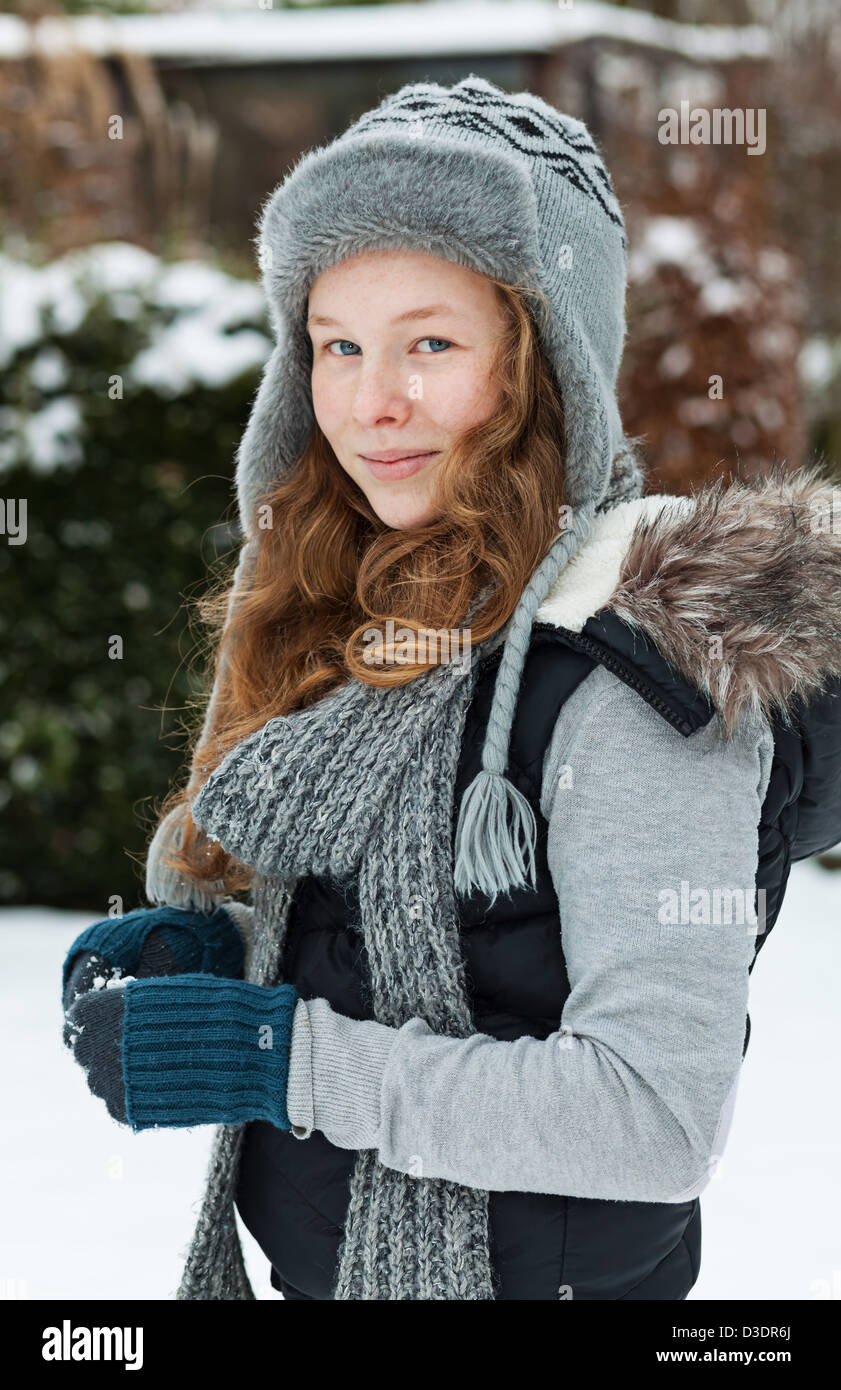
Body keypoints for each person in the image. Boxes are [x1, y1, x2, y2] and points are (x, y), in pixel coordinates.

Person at [61, 75, 841, 1301]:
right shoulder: (368, 612)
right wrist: (211, 962)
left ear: (544, 366)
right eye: (338, 346)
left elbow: (654, 1116)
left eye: (431, 341)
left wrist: (280, 1058)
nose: (373, 403)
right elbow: (401, 953)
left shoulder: (631, 671)